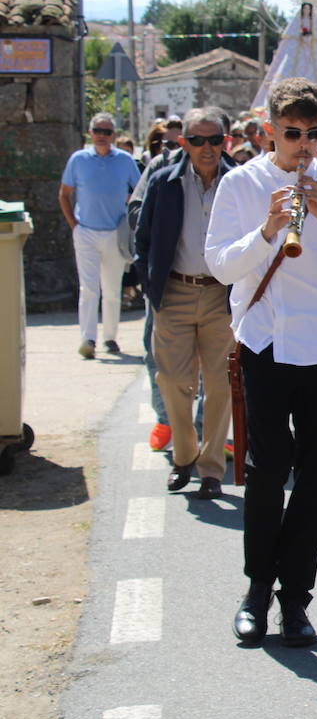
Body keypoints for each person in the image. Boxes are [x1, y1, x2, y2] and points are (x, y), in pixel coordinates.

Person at [206, 77, 317, 647]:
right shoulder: (241, 183)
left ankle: (296, 601)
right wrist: (266, 231)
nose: (302, 145)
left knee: (315, 478)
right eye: (291, 134)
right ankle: (257, 589)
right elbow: (220, 265)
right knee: (265, 471)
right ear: (269, 132)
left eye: (313, 134)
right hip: (265, 342)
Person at [134, 108, 236, 500]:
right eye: (197, 140)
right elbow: (141, 239)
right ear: (184, 143)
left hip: (220, 294)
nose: (206, 148)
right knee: (174, 380)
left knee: (220, 385)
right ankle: (184, 454)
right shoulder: (163, 182)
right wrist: (151, 288)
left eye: (214, 140)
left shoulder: (238, 181)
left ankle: (210, 469)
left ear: (225, 141)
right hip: (173, 292)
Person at [59, 112, 142, 358]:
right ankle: (88, 338)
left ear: (113, 135)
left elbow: (139, 192)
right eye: (98, 131)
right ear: (90, 133)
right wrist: (73, 224)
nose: (102, 136)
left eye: (107, 132)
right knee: (89, 288)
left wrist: (129, 219)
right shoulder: (78, 159)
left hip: (114, 233)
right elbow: (64, 193)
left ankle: (110, 337)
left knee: (112, 288)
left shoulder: (126, 160)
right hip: (85, 231)